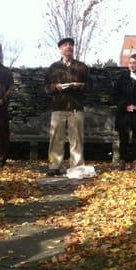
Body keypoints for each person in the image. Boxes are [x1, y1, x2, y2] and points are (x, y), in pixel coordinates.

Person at [44, 37, 92, 176]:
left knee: (76, 140)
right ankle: (53, 166)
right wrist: (55, 87)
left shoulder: (81, 66)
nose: (69, 47)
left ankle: (77, 168)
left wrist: (81, 85)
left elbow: (90, 86)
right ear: (60, 49)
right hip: (58, 108)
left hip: (76, 108)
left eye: (71, 45)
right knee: (55, 140)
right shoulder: (53, 68)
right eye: (65, 45)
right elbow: (46, 88)